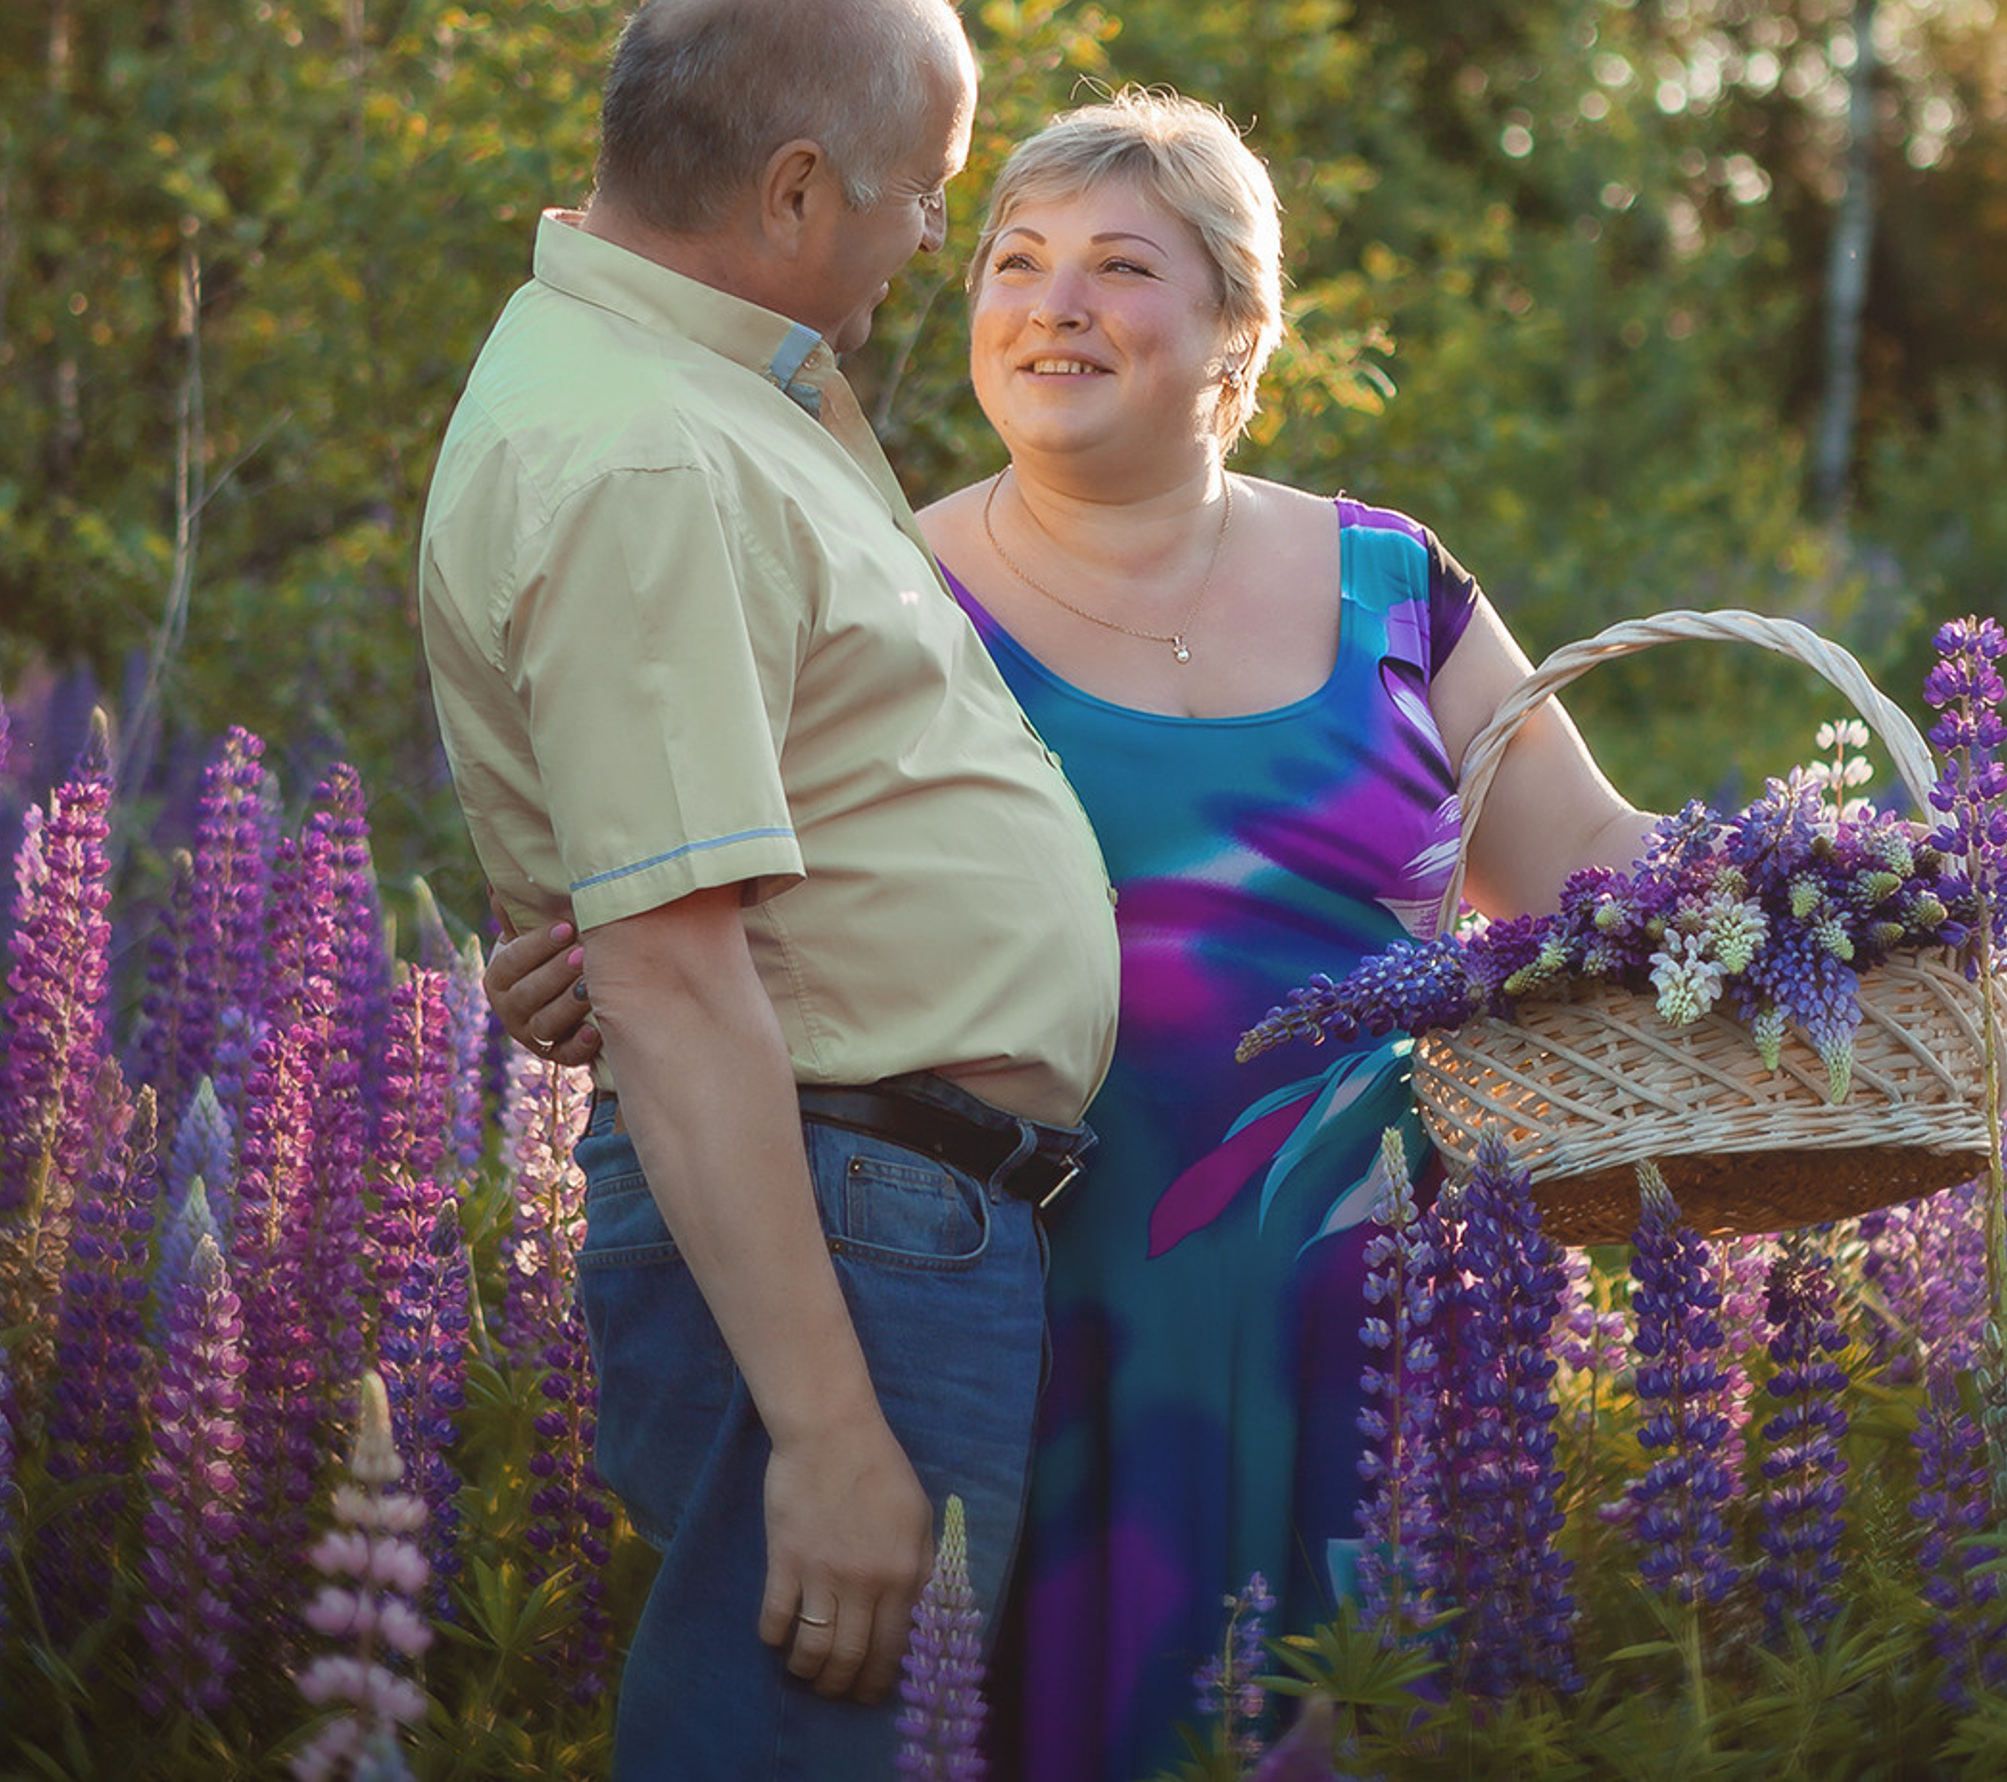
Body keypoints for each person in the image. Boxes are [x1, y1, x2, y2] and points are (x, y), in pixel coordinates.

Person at [491, 91, 1654, 1781]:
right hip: (1008, 1300)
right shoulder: (885, 585)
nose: (1055, 305)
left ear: (1238, 324)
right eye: (1016, 261)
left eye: (1122, 266)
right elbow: (710, 898)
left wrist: (1818, 889)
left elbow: (1592, 864)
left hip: (1364, 1320)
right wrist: (583, 960)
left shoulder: (1395, 587)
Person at [418, 0, 1121, 1782]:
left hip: (873, 1208)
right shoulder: (653, 453)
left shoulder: (707, 396)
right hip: (844, 1236)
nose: (935, 241)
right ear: (798, 188)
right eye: (927, 192)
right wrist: (826, 1433)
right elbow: (665, 975)